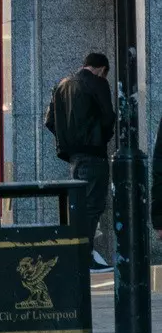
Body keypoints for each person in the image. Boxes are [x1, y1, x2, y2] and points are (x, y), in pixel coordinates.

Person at [46, 51, 116, 270]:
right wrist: (100, 137)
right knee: (93, 205)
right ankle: (84, 256)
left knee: (78, 206)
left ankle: (77, 253)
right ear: (101, 70)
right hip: (93, 154)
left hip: (73, 157)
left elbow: (49, 121)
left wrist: (67, 141)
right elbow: (108, 117)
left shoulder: (62, 85)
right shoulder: (98, 84)